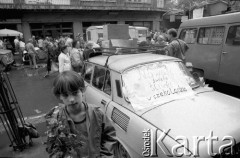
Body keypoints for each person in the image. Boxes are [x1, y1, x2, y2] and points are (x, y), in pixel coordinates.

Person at [45, 71, 117, 157]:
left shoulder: (97, 114)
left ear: (82, 90)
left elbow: (109, 138)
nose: (71, 99)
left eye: (75, 93)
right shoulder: (56, 118)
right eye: (65, 95)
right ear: (59, 96)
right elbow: (53, 147)